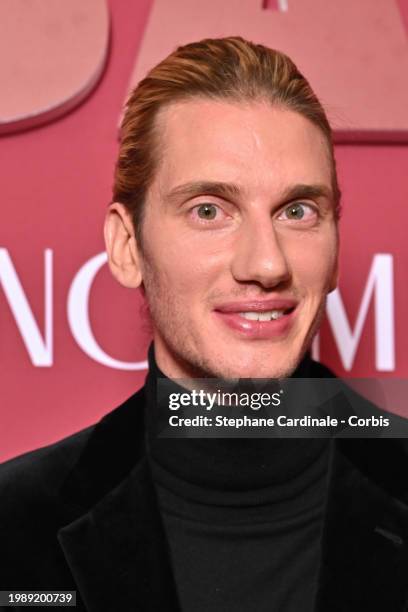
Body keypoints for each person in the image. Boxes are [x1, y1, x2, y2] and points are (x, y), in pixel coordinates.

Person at [1, 37, 408, 612]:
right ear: (126, 246)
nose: (266, 265)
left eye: (298, 211)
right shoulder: (14, 524)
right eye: (209, 210)